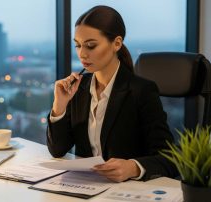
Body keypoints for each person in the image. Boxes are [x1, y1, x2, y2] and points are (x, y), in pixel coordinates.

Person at [46, 5, 178, 182]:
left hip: (126, 191)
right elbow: (57, 150)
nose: (82, 54)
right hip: (85, 187)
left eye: (91, 46)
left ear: (116, 43)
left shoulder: (141, 91)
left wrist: (132, 167)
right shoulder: (78, 89)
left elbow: (169, 157)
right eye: (77, 45)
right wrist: (59, 105)